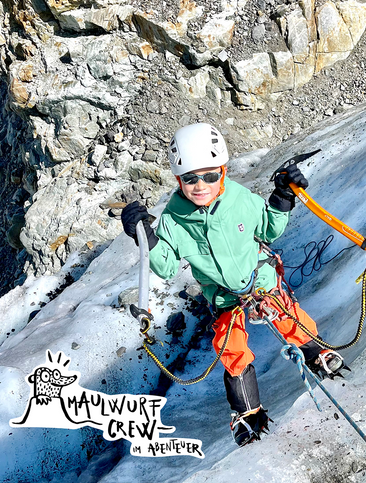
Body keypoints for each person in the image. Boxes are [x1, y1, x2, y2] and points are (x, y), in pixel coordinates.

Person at [120, 122, 346, 447]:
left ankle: (316, 353)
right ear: (178, 180)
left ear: (223, 172)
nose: (201, 186)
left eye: (210, 176)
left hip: (260, 280)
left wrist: (283, 196)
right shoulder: (172, 219)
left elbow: (267, 229)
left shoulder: (238, 198)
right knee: (231, 348)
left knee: (287, 316)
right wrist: (147, 238)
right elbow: (166, 266)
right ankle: (247, 411)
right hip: (224, 296)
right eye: (190, 179)